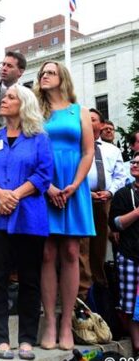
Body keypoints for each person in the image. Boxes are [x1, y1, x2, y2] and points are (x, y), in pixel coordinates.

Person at [0, 84, 53, 360]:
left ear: (24, 104)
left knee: (30, 280)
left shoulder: (40, 138)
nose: (3, 100)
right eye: (4, 97)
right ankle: (0, 341)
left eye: (9, 97)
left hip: (30, 219)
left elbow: (44, 175)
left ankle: (27, 339)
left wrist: (15, 196)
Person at [34, 60, 95, 351]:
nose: (44, 76)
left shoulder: (80, 111)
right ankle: (49, 321)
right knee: (47, 252)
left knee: (71, 251)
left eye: (50, 73)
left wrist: (73, 185)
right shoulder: (34, 111)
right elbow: (30, 151)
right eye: (42, 73)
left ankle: (67, 322)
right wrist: (48, 187)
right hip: (44, 184)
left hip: (74, 185)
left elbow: (88, 152)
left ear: (62, 78)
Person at [79, 108, 126, 298]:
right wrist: (86, 192)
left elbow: (120, 176)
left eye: (92, 119)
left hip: (105, 201)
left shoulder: (112, 150)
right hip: (83, 198)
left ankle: (99, 282)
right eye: (86, 119)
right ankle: (83, 285)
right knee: (83, 243)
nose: (88, 123)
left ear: (101, 124)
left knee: (99, 244)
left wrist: (109, 192)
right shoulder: (78, 147)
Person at [109, 152, 139, 357]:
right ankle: (137, 348)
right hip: (129, 254)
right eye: (134, 161)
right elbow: (116, 224)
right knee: (129, 305)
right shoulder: (122, 194)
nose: (134, 164)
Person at [0, 51, 27, 127]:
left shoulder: (25, 96)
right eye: (3, 64)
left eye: (9, 66)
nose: (4, 68)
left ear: (20, 72)